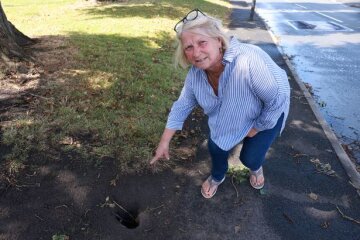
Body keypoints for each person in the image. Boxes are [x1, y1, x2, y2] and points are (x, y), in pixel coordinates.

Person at [150, 9, 290, 199]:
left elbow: (276, 99)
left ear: (218, 40)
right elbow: (182, 105)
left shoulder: (247, 60)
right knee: (216, 146)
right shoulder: (196, 75)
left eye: (202, 42)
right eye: (188, 47)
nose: (196, 53)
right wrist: (164, 141)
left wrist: (256, 128)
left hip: (267, 111)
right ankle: (217, 176)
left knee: (249, 158)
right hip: (233, 113)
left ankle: (256, 168)